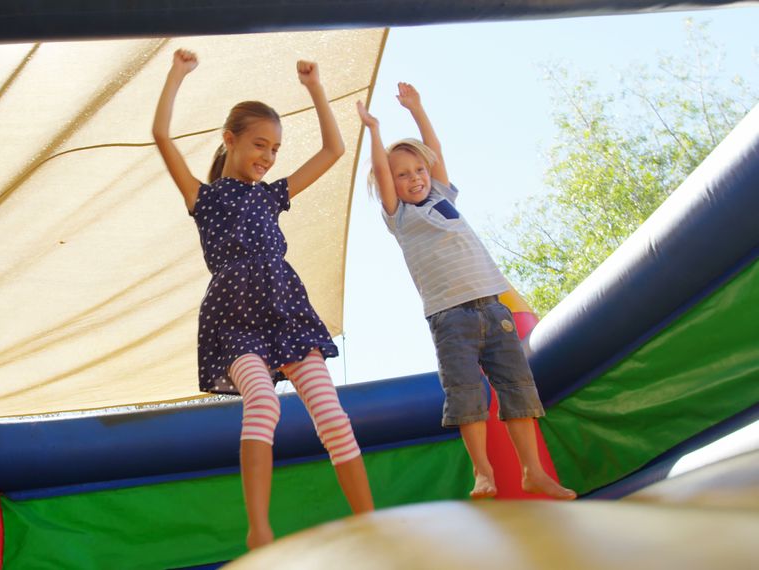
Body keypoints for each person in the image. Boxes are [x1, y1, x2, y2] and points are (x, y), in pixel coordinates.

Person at [152, 49, 375, 549]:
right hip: (235, 321)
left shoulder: (272, 195)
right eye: (259, 145)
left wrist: (316, 90)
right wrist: (176, 75)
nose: (268, 157)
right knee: (262, 401)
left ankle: (368, 519)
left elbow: (333, 151)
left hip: (286, 312)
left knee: (331, 412)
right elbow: (162, 136)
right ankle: (260, 531)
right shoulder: (202, 199)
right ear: (229, 140)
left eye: (275, 149)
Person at [357, 82, 576, 501]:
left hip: (494, 308)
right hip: (449, 316)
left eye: (418, 170)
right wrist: (374, 131)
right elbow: (383, 171)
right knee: (466, 395)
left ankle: (533, 471)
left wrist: (418, 109)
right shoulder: (399, 216)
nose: (414, 178)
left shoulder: (442, 193)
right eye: (403, 175)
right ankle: (483, 473)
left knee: (517, 389)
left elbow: (433, 148)